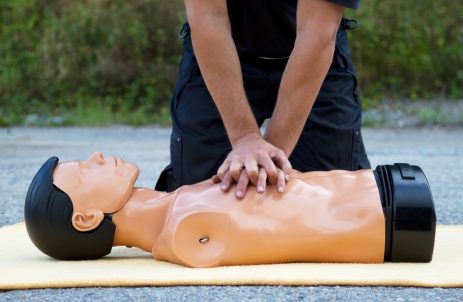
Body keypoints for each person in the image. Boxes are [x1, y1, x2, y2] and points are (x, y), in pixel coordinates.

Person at [24, 152, 436, 268]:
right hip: (388, 210)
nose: (96, 155)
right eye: (83, 170)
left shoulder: (179, 207)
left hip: (380, 196)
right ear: (87, 219)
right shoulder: (188, 231)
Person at [155, 0, 371, 200]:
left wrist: (269, 163)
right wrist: (244, 137)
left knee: (336, 201)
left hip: (312, 52)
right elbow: (208, 17)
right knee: (196, 200)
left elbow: (317, 31)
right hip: (222, 50)